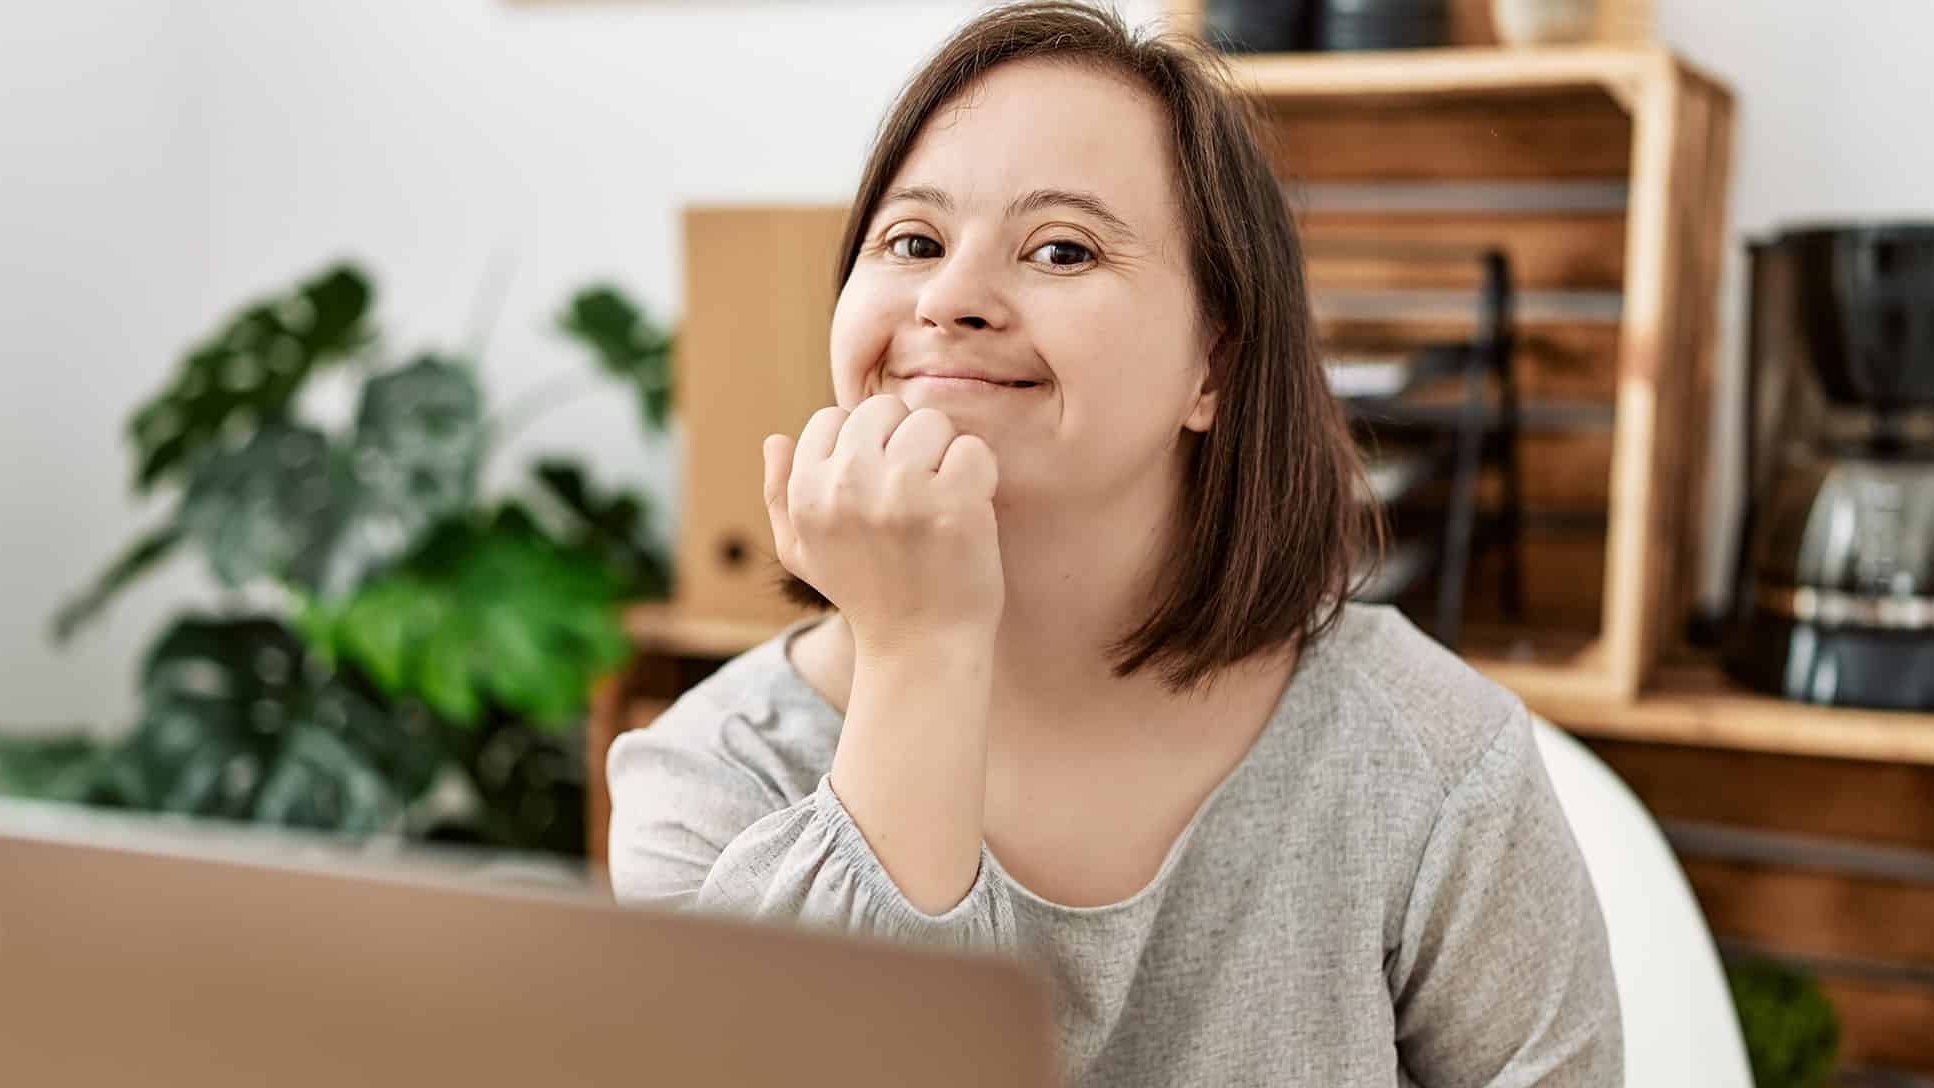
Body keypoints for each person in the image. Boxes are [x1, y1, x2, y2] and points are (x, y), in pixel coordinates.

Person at [603, 3, 1620, 1083]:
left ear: (1212, 368)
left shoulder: (1427, 758)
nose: (949, 298)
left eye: (1060, 247)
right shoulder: (716, 773)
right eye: (912, 240)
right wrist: (919, 652)